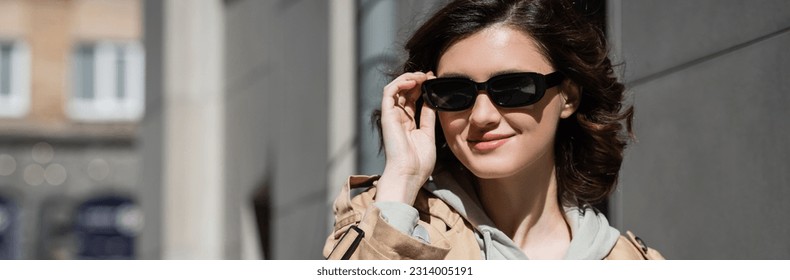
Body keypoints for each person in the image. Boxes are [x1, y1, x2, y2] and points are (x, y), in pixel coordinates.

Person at [324, 0, 663, 260]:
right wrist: (402, 176)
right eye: (455, 92)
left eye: (513, 88)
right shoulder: (390, 221)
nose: (482, 115)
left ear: (569, 96)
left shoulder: (633, 262)